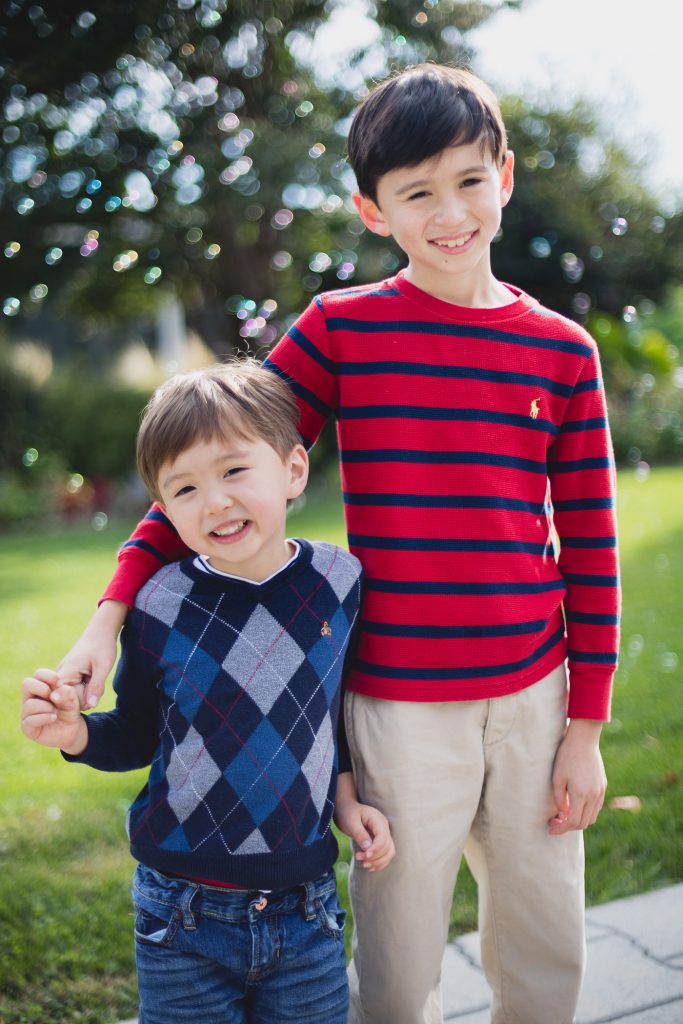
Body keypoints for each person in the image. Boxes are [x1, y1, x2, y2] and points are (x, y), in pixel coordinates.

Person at [55, 64, 620, 1024]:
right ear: (372, 210)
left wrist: (585, 731)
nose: (449, 212)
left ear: (505, 177)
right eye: (416, 193)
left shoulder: (562, 348)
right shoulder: (344, 330)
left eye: (468, 181)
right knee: (397, 965)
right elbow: (214, 465)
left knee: (544, 945)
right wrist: (107, 622)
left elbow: (593, 549)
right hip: (398, 708)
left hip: (535, 697)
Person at [21, 359, 395, 1024]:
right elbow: (137, 731)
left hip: (304, 909)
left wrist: (345, 797)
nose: (215, 501)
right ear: (163, 510)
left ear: (292, 472)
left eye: (233, 472)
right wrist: (77, 735)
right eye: (185, 489)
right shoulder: (159, 602)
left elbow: (327, 712)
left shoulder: (339, 583)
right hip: (181, 913)